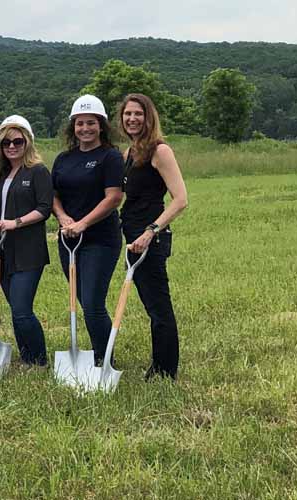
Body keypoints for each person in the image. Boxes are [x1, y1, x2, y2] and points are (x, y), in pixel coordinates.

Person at [118, 93, 189, 380]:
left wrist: (151, 230)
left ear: (149, 118)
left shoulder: (160, 151)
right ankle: (158, 365)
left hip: (151, 238)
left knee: (159, 306)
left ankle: (165, 371)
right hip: (132, 236)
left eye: (138, 114)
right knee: (151, 304)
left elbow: (181, 199)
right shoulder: (129, 153)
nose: (132, 119)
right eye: (127, 114)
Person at [51, 94, 124, 367]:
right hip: (69, 240)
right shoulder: (63, 159)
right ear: (73, 127)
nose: (85, 129)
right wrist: (63, 218)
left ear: (101, 125)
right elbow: (53, 195)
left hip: (100, 239)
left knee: (93, 302)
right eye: (80, 123)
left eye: (91, 123)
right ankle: (98, 352)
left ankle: (104, 360)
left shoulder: (110, 156)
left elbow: (113, 197)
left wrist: (83, 223)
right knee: (82, 300)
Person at [0, 115, 53, 366]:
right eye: (6, 142)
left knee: (22, 309)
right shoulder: (0, 174)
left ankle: (39, 359)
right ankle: (26, 357)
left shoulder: (38, 172)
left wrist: (15, 222)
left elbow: (44, 208)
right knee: (15, 309)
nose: (12, 146)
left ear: (28, 142)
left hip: (28, 249)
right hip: (2, 248)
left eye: (18, 141)